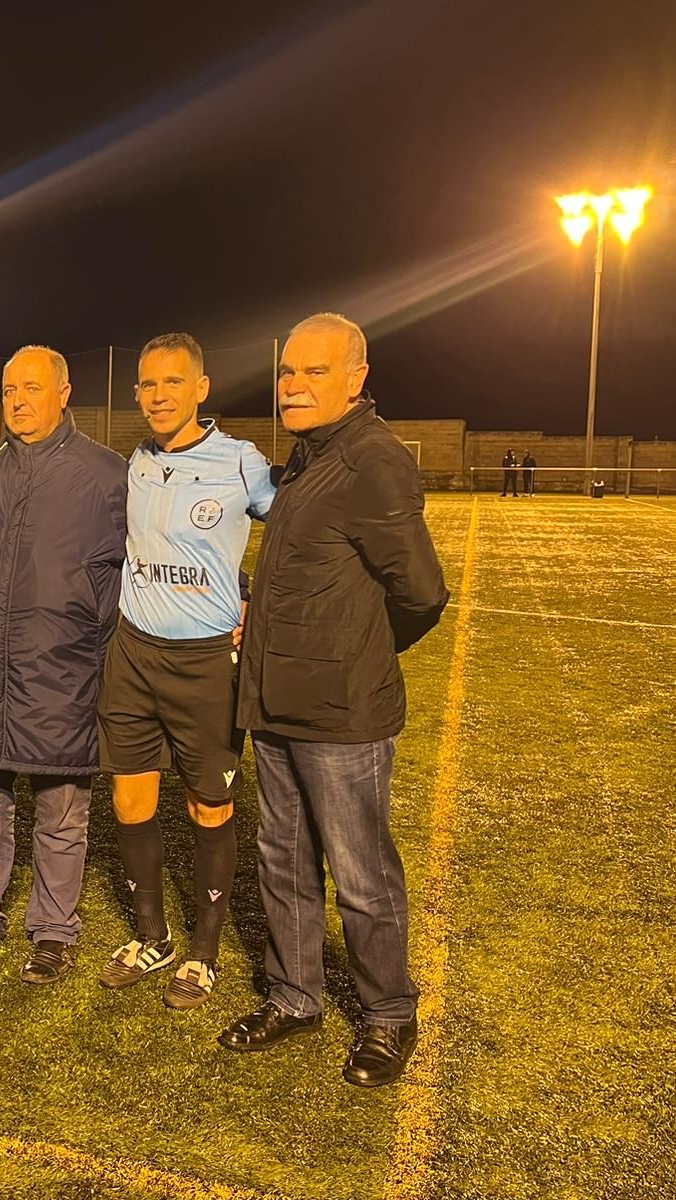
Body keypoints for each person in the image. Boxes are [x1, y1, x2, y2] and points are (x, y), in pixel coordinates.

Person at [219, 313, 448, 1089]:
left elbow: (420, 593)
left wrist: (353, 654)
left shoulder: (373, 461)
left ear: (356, 377)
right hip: (276, 704)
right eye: (288, 372)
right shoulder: (309, 458)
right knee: (282, 861)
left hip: (343, 715)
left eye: (314, 372)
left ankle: (389, 1014)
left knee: (360, 872)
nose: (294, 385)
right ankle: (296, 996)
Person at [0, 345, 128, 984]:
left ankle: (52, 930)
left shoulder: (106, 475)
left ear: (64, 392)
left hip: (63, 675)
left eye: (32, 388)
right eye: (10, 388)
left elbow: (165, 544)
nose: (18, 400)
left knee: (60, 812)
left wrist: (230, 591)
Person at [97, 333, 275, 1008]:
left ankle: (203, 953)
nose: (158, 395)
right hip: (135, 652)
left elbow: (294, 530)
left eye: (172, 382)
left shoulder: (240, 461)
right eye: (147, 384)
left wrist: (255, 598)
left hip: (205, 663)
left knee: (209, 804)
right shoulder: (137, 462)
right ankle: (153, 936)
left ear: (201, 388)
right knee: (131, 799)